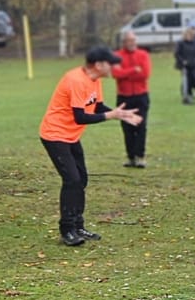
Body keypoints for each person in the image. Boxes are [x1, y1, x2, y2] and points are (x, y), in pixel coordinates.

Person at [38, 46, 141, 246]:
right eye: (110, 63)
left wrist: (119, 114)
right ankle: (67, 230)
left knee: (81, 179)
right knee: (72, 180)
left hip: (71, 136)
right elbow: (80, 116)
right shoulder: (76, 80)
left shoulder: (95, 80)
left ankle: (78, 226)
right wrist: (109, 116)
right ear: (99, 65)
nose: (113, 67)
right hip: (54, 135)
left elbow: (97, 107)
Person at [113, 29, 152, 167]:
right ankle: (130, 157)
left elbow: (145, 74)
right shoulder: (117, 55)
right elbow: (116, 74)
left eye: (133, 40)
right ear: (124, 42)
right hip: (124, 97)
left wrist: (126, 74)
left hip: (141, 96)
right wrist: (134, 70)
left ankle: (140, 156)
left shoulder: (143, 54)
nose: (132, 43)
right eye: (129, 41)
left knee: (141, 126)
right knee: (127, 128)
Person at [175, 27, 195, 104]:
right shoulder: (180, 43)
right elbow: (177, 54)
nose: (189, 37)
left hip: (193, 64)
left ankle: (193, 93)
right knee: (186, 80)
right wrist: (183, 61)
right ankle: (186, 96)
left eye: (191, 35)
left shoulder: (194, 43)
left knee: (193, 79)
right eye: (188, 35)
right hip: (184, 65)